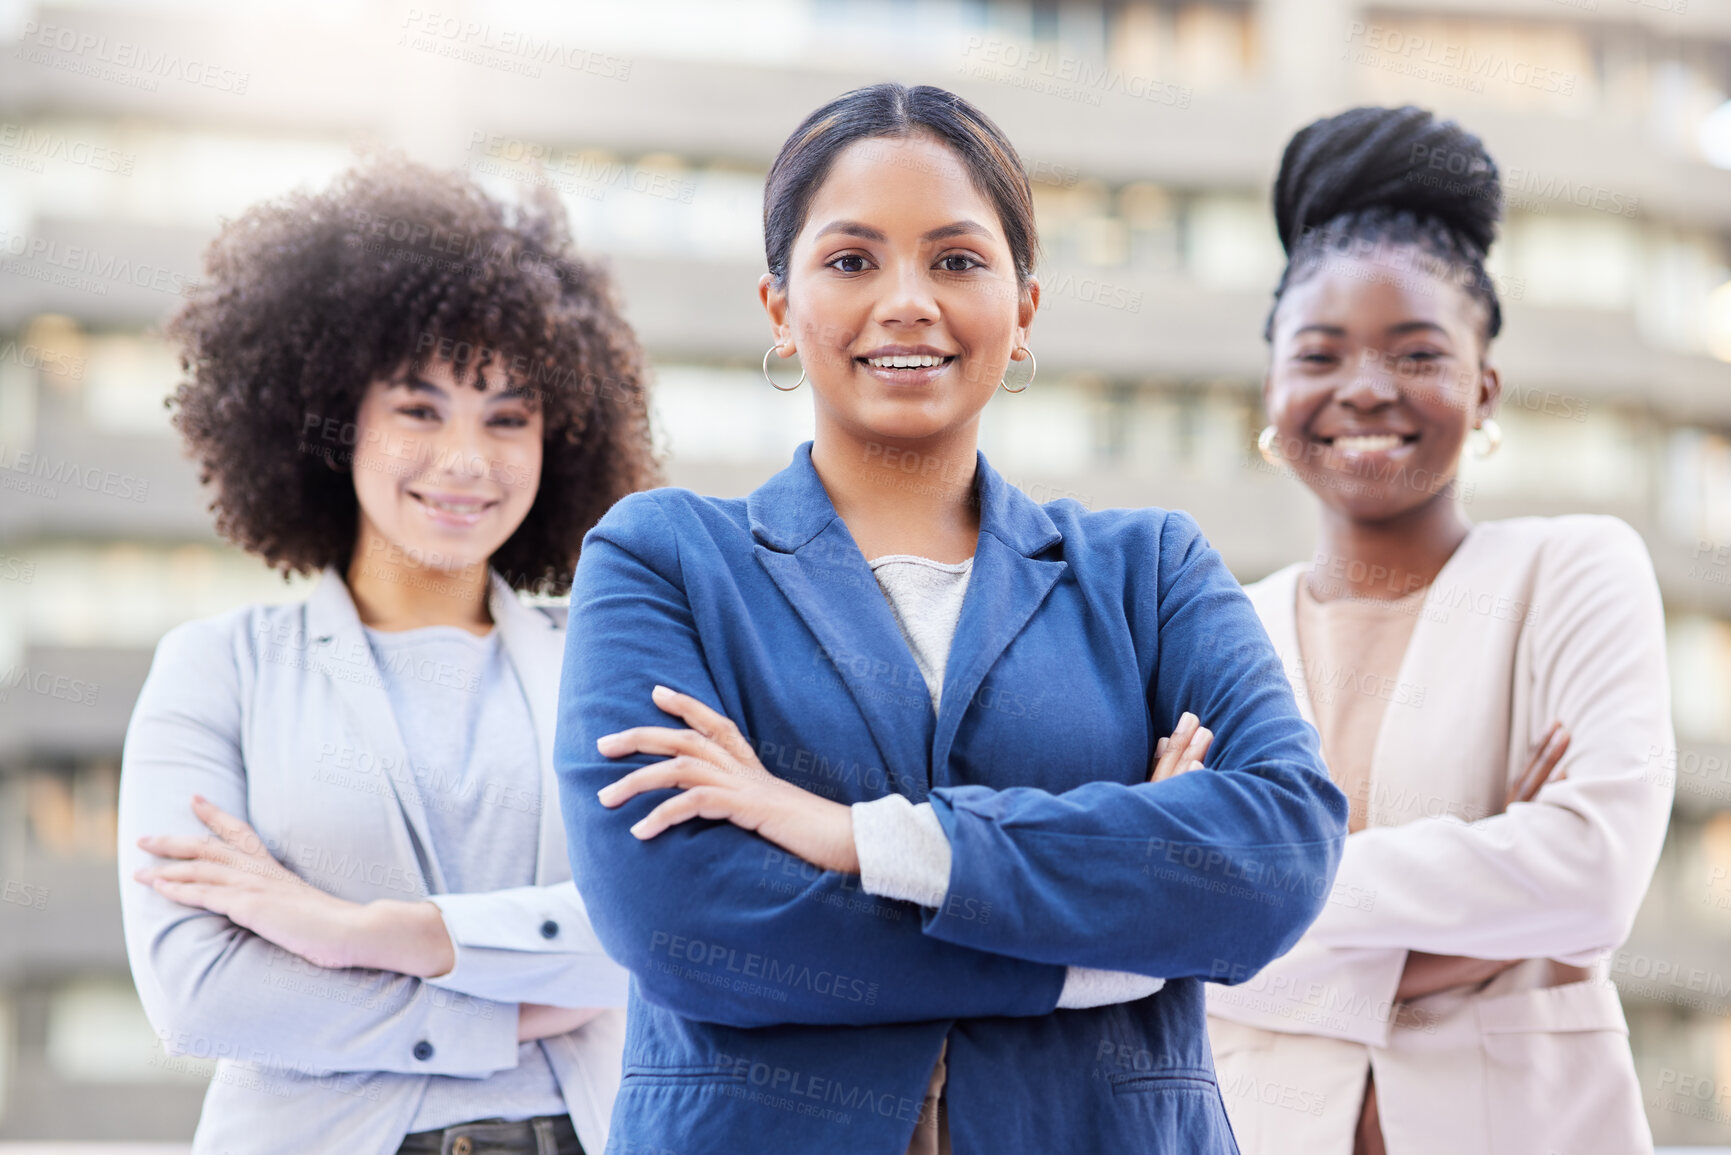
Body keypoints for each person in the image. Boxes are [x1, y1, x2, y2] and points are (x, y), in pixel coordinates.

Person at [554, 82, 1348, 1155]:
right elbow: (682, 920)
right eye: (850, 261)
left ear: (1023, 308)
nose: (907, 301)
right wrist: (1107, 947)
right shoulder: (665, 560)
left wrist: (855, 839)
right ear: (779, 307)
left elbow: (1278, 856)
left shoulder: (1149, 572)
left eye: (957, 260)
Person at [118, 158, 659, 1155]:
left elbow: (662, 932)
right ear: (336, 419)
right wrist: (490, 1017)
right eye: (420, 408)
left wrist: (351, 932)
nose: (464, 460)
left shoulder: (606, 660)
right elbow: (199, 991)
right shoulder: (217, 671)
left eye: (508, 418)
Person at [1203, 106, 1674, 1155]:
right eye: (1321, 354)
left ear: (1484, 385)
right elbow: (1159, 937)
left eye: (1417, 354)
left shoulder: (1573, 571)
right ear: (1274, 391)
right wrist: (1478, 921)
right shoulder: (1222, 630)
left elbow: (1589, 876)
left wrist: (1257, 899)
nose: (1366, 389)